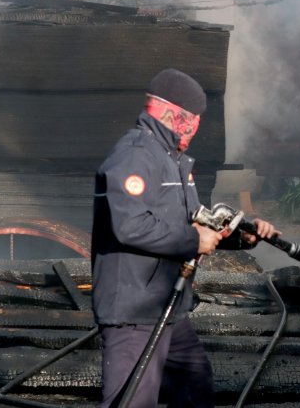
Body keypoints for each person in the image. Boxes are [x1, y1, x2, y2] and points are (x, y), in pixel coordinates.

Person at [91, 68, 278, 407]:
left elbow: (196, 221)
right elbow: (130, 225)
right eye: (192, 118)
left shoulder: (172, 160)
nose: (196, 127)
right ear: (170, 113)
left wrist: (243, 235)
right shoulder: (135, 155)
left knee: (195, 384)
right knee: (132, 401)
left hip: (166, 308)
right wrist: (193, 242)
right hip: (135, 311)